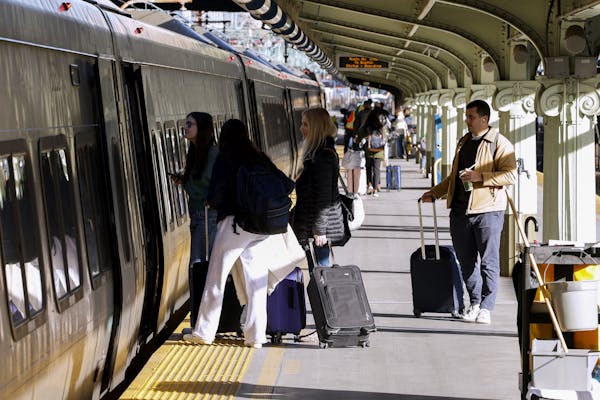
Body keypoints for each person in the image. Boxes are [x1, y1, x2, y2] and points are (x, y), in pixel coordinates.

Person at [183, 119, 284, 348]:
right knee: (256, 281)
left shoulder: (225, 158)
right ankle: (256, 336)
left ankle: (204, 332)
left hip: (235, 225)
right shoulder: (259, 157)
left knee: (216, 277)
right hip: (260, 227)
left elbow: (216, 195)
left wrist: (211, 201)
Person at [420, 99, 517, 325]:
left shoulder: (499, 143)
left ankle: (486, 307)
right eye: (466, 116)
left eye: (471, 117)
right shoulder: (463, 142)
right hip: (460, 211)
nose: (467, 121)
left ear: (484, 119)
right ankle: (474, 302)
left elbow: (510, 176)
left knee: (488, 261)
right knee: (466, 261)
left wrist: (480, 177)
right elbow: (454, 177)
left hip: (488, 211)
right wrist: (435, 192)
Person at [171, 112, 219, 329]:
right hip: (200, 216)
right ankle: (202, 319)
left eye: (190, 124)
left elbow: (204, 186)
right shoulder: (197, 151)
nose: (185, 128)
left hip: (207, 217)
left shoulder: (210, 153)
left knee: (199, 267)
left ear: (202, 128)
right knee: (201, 268)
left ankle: (202, 321)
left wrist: (187, 184)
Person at [292, 107, 342, 272]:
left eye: (305, 124)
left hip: (317, 226)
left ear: (316, 127)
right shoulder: (317, 153)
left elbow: (324, 198)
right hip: (313, 223)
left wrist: (320, 230)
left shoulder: (323, 157)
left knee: (322, 271)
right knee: (319, 270)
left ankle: (325, 297)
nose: (301, 129)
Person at [359, 109, 386, 196]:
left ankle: (369, 185)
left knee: (369, 168)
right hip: (379, 150)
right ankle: (375, 188)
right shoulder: (380, 127)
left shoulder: (366, 126)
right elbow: (384, 138)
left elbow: (360, 136)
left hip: (369, 150)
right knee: (377, 169)